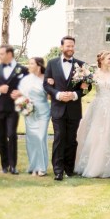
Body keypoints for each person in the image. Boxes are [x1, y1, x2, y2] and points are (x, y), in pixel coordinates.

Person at [44, 36, 91, 181]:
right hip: (58, 108)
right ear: (62, 47)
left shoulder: (81, 65)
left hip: (73, 109)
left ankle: (69, 169)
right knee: (59, 138)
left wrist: (74, 95)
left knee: (71, 139)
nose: (70, 49)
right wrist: (57, 94)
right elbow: (46, 85)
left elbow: (87, 87)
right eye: (68, 46)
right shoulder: (51, 63)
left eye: (72, 46)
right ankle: (58, 170)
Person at [0, 45, 28, 174]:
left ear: (10, 54)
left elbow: (29, 85)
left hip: (13, 108)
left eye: (1, 54)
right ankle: (4, 166)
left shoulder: (22, 69)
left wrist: (21, 92)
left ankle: (13, 166)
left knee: (12, 135)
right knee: (0, 136)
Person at [18, 57, 51, 177]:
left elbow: (50, 96)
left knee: (40, 137)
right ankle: (33, 166)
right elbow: (20, 95)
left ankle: (42, 167)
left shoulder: (47, 79)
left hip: (43, 111)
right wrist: (24, 106)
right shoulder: (25, 79)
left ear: (39, 65)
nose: (29, 66)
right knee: (31, 139)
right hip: (29, 111)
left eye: (31, 64)